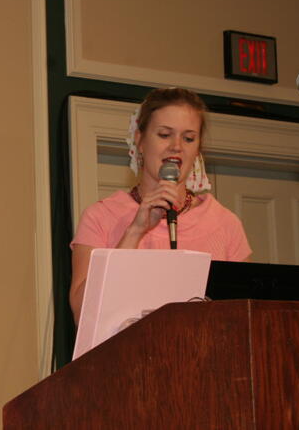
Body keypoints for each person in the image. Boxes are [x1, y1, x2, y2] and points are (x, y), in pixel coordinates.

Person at [69, 87, 252, 323]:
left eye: (188, 138)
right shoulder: (100, 216)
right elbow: (82, 314)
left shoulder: (225, 223)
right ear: (140, 141)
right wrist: (135, 231)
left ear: (198, 150)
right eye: (165, 135)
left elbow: (245, 317)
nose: (176, 146)